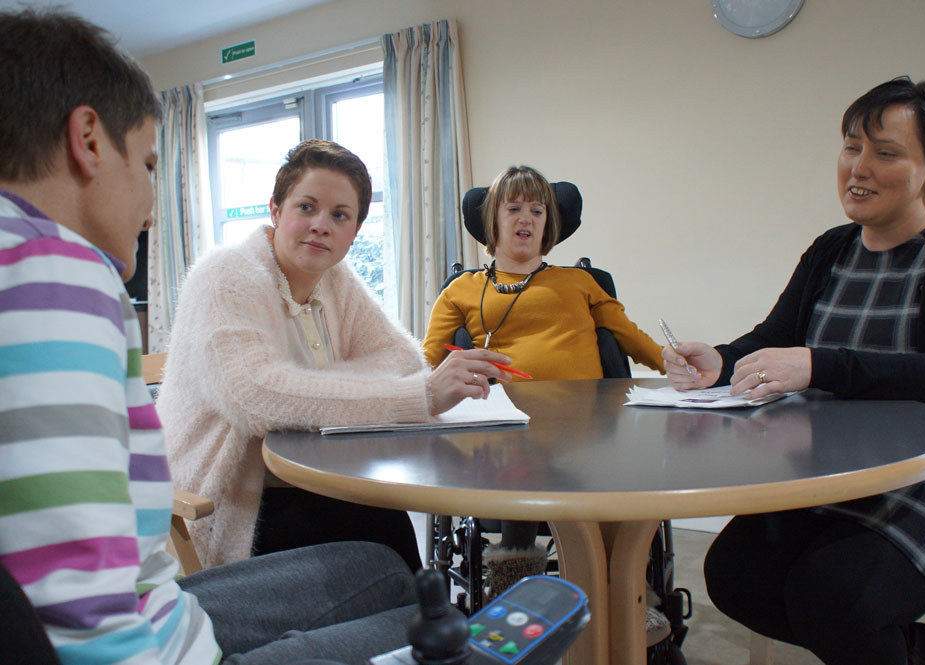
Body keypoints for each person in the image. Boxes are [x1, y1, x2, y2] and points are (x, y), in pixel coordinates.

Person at [0, 9, 422, 665]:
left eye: (341, 216)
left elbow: (400, 360)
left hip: (154, 606)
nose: (150, 199)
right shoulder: (54, 273)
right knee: (435, 624)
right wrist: (385, 393)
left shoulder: (34, 261)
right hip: (173, 606)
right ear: (87, 139)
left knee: (392, 567)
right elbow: (80, 603)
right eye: (145, 160)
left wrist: (337, 389)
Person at [663, 77, 925, 665]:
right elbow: (774, 339)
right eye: (850, 147)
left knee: (837, 596)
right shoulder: (832, 249)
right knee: (735, 576)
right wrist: (720, 361)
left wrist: (820, 365)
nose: (857, 168)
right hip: (838, 475)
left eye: (886, 153)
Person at [157, 139, 510, 571]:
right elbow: (255, 397)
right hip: (231, 501)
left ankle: (419, 630)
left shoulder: (335, 279)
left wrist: (305, 389)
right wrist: (416, 397)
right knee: (380, 556)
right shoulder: (225, 276)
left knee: (388, 529)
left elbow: (402, 358)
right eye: (306, 207)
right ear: (275, 211)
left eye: (339, 215)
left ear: (355, 231)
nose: (321, 225)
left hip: (307, 478)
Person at [422, 165, 666, 601]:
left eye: (537, 210)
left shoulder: (580, 282)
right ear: (491, 221)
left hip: (586, 425)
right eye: (514, 208)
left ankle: (622, 596)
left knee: (616, 471)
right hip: (509, 431)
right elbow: (427, 363)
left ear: (549, 222)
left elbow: (630, 337)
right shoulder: (462, 290)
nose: (527, 218)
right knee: (520, 458)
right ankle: (515, 592)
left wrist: (674, 362)